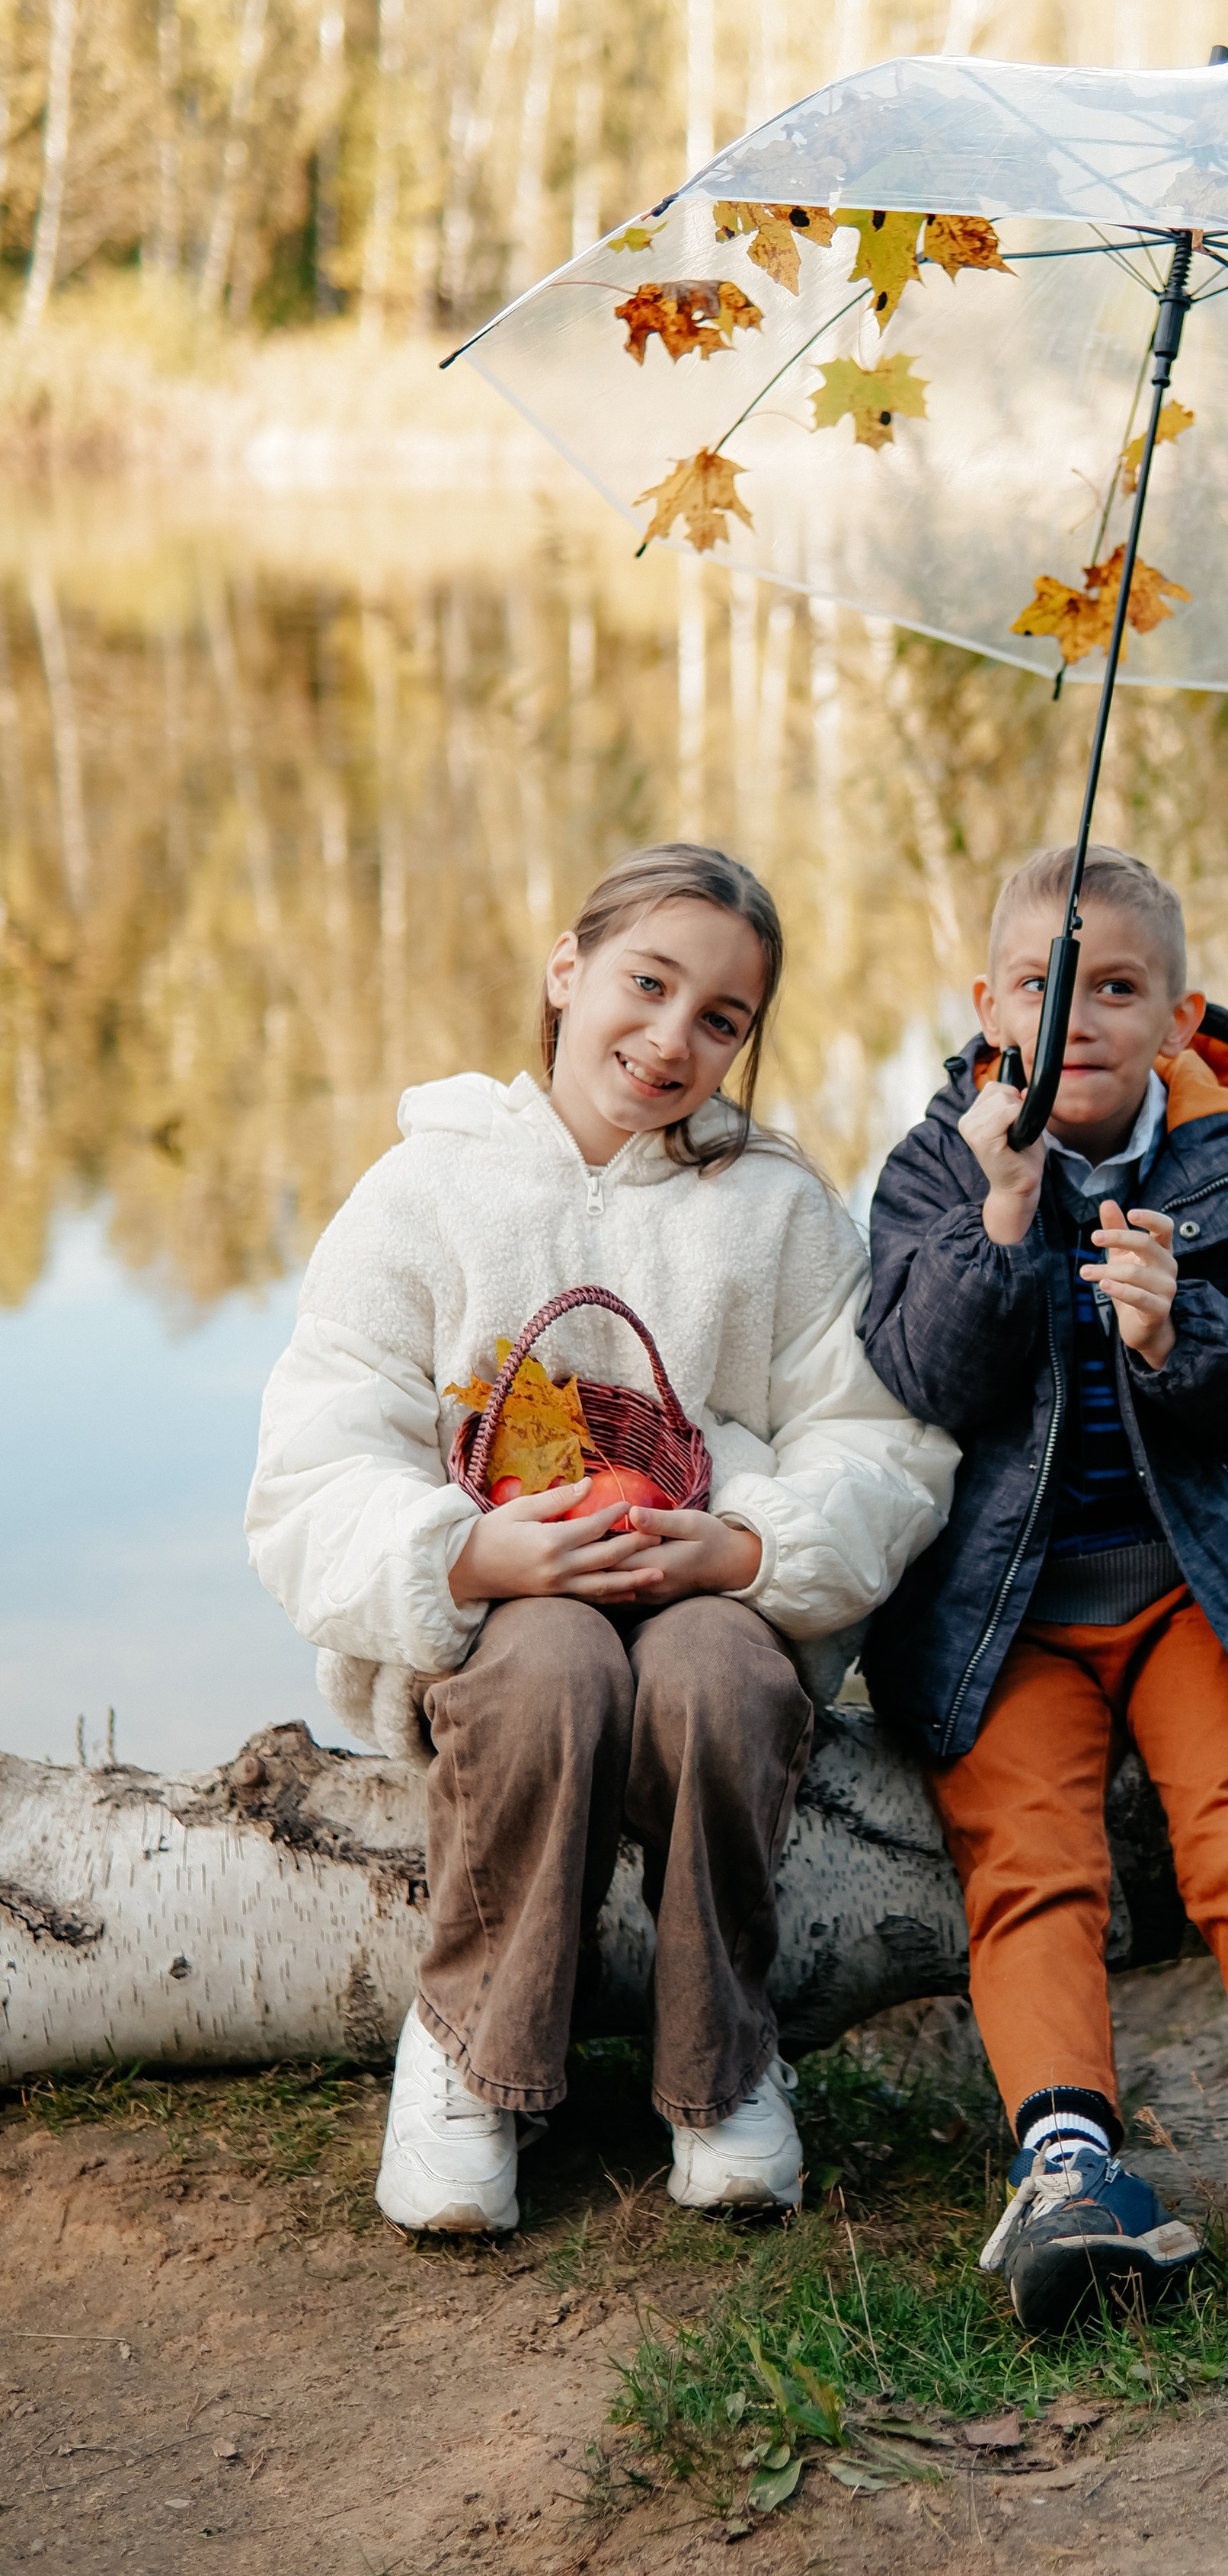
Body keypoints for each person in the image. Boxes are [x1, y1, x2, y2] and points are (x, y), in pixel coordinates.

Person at [247, 843, 956, 2236]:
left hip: (704, 1588)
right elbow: (312, 1466)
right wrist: (463, 1555)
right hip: (508, 1610)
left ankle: (724, 2068)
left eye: (721, 1019)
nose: (670, 1039)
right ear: (566, 973)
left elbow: (880, 1437)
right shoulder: (423, 1194)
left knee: (723, 1682)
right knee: (553, 1671)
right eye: (647, 982)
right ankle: (471, 2059)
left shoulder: (779, 1212)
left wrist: (749, 1550)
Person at [862, 843, 1228, 2331]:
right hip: (1006, 1610)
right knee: (1028, 1862)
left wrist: (1185, 1340)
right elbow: (917, 1373)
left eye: (1115, 988)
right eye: (1044, 985)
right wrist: (998, 1221)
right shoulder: (933, 1164)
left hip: (1193, 1591)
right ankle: (1064, 2171)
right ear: (987, 1006)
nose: (1075, 1017)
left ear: (1180, 1015)